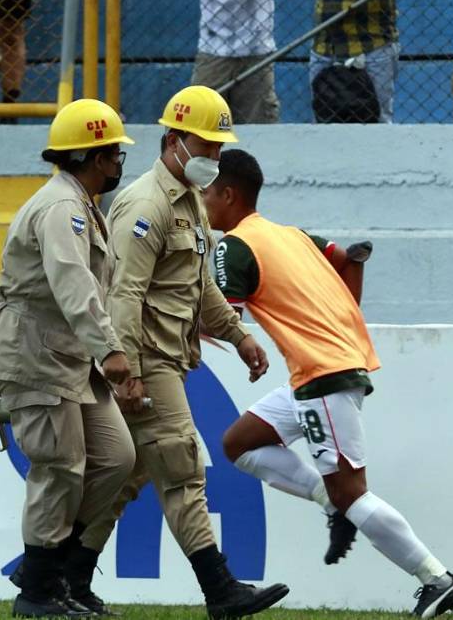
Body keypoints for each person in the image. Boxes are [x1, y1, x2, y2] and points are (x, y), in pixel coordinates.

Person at [207, 149, 453, 619]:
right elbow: (348, 260)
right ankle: (331, 502)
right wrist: (343, 320)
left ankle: (438, 580)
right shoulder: (291, 235)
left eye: (207, 191)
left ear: (228, 194)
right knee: (239, 443)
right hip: (324, 370)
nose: (202, 200)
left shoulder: (232, 246)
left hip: (321, 375)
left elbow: (226, 319)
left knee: (354, 493)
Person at [103, 86, 288, 619]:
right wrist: (128, 370)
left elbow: (201, 285)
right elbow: (125, 294)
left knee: (130, 474)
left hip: (166, 358)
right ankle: (222, 590)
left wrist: (238, 334)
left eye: (216, 146)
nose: (212, 157)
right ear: (173, 140)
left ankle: (52, 571)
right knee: (183, 471)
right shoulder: (145, 204)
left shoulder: (188, 203)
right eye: (204, 145)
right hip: (148, 361)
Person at [0, 99, 136, 618]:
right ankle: (39, 593)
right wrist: (109, 348)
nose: (118, 163)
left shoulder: (79, 203)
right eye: (114, 153)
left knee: (115, 459)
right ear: (93, 156)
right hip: (35, 355)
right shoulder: (61, 209)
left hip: (65, 356)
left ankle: (46, 567)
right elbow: (74, 284)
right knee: (60, 467)